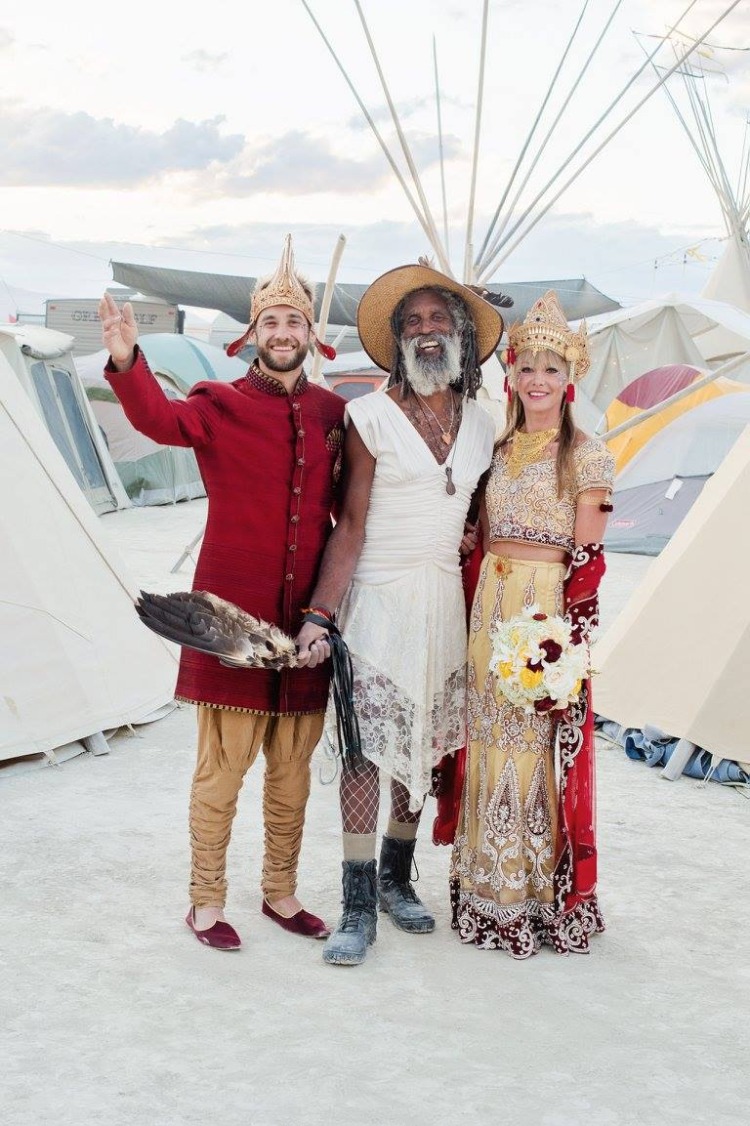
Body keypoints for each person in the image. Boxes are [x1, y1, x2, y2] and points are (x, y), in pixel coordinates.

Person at [99, 236, 345, 950]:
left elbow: (355, 509)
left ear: (310, 335)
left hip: (306, 628)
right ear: (252, 336)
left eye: (293, 322)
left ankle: (281, 892)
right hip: (230, 623)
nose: (282, 333)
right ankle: (205, 902)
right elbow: (157, 420)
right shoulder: (219, 403)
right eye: (271, 323)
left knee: (292, 776)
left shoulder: (334, 414)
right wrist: (125, 360)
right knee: (221, 774)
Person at [296, 262, 504, 966]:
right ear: (396, 338)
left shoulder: (484, 424)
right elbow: (348, 525)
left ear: (460, 335)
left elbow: (474, 514)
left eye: (436, 320)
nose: (424, 330)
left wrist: (471, 538)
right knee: (365, 751)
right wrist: (321, 616)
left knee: (425, 747)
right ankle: (357, 905)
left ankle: (395, 877)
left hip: (444, 601)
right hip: (378, 600)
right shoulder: (369, 416)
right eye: (411, 321)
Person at [448, 290, 615, 957]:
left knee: (528, 750)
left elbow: (588, 560)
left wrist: (562, 642)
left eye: (551, 367)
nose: (538, 379)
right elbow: (476, 531)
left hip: (540, 612)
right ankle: (482, 886)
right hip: (489, 603)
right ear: (510, 375)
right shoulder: (496, 448)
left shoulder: (589, 456)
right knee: (485, 743)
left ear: (570, 377)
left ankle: (529, 895)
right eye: (527, 367)